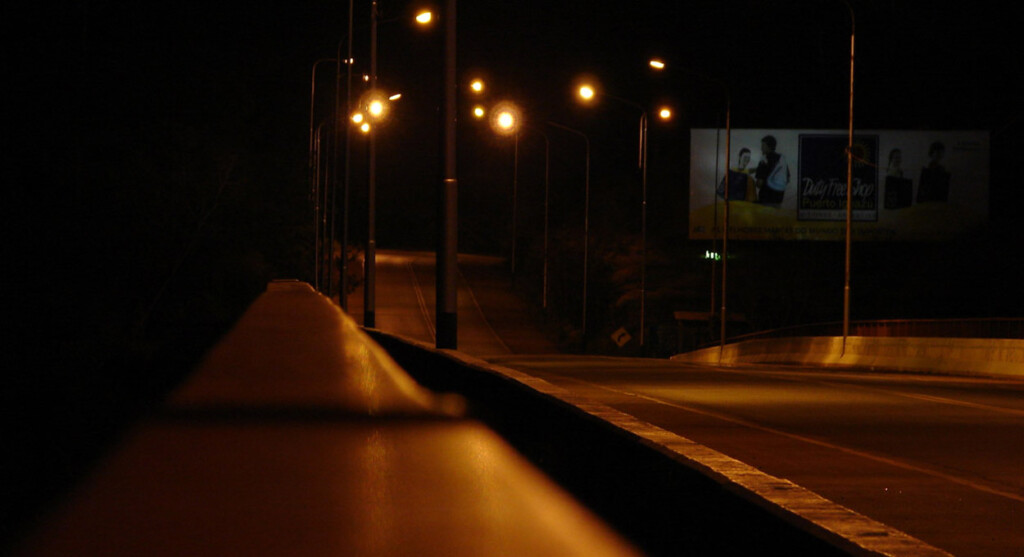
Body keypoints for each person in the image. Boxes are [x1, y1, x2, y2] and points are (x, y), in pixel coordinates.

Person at [754, 135, 789, 206]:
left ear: (768, 146)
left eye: (763, 146)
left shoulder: (764, 160)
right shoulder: (781, 159)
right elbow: (787, 179)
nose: (761, 148)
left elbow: (759, 183)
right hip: (778, 200)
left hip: (765, 200)